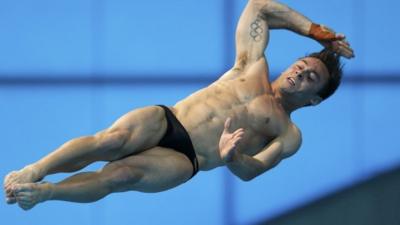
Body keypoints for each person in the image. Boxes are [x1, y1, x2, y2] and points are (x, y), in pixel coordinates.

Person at [4, 0, 354, 210]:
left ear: (313, 100)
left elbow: (253, 171)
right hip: (168, 119)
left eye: (311, 79)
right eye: (302, 66)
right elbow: (259, 7)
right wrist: (313, 30)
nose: (300, 73)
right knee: (109, 141)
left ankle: (45, 192)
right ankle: (36, 169)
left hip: (186, 159)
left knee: (121, 176)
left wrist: (233, 157)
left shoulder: (288, 134)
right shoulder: (253, 65)